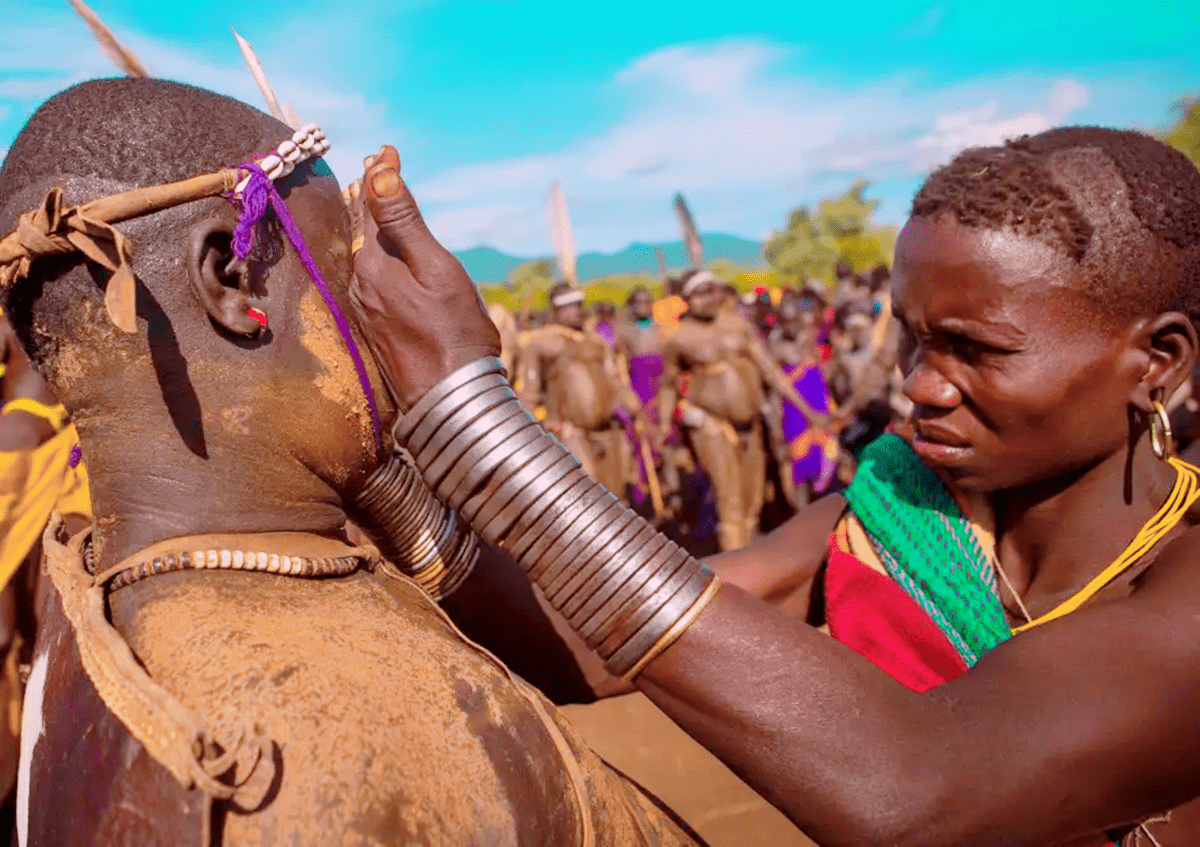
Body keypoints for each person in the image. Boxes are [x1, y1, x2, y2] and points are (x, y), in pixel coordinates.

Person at [352, 126, 1200, 846]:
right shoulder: (890, 516)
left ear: (1157, 361)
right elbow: (584, 652)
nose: (921, 384)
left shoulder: (1185, 583)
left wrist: (472, 414)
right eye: (912, 339)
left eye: (976, 349)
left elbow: (917, 787)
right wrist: (373, 461)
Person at [0, 78, 703, 846]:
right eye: (347, 264)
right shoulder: (338, 738)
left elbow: (578, 649)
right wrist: (474, 397)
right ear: (233, 281)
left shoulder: (88, 583)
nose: (380, 303)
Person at [658, 270, 829, 550]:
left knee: (753, 502)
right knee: (731, 505)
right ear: (687, 299)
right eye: (700, 293)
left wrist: (809, 412)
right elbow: (668, 385)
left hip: (752, 425)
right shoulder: (679, 338)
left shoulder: (738, 325)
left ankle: (749, 566)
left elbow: (772, 373)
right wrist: (665, 425)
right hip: (713, 428)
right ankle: (737, 580)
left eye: (712, 290)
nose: (709, 298)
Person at [517, 283, 641, 496]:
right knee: (589, 495)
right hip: (570, 432)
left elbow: (614, 380)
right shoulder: (541, 343)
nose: (575, 310)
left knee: (617, 495)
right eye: (567, 306)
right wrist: (540, 426)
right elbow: (529, 394)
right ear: (555, 311)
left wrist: (634, 407)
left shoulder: (597, 341)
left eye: (577, 304)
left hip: (609, 430)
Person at [767, 295, 839, 506]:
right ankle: (801, 515)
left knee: (826, 461)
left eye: (794, 320)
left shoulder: (810, 340)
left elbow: (820, 373)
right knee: (799, 466)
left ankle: (826, 513)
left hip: (819, 406)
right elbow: (776, 389)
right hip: (795, 414)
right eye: (785, 321)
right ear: (779, 322)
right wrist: (775, 426)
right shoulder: (776, 349)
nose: (791, 326)